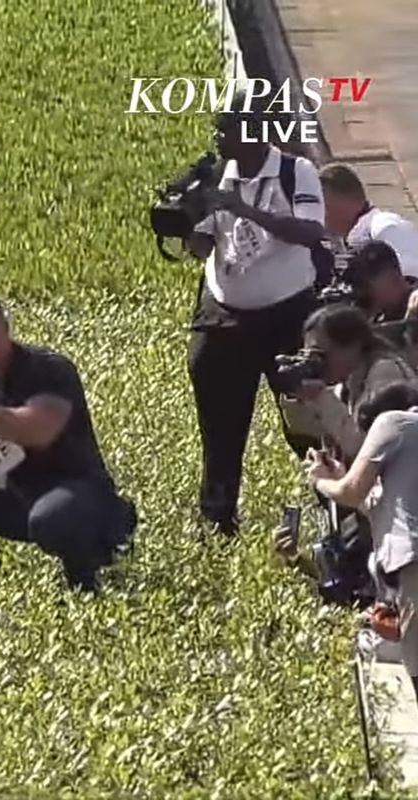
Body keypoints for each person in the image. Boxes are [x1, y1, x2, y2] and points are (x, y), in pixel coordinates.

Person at [0, 291, 136, 592]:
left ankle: (88, 576)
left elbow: (35, 431)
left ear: (7, 330)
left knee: (52, 518)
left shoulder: (47, 369)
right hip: (17, 492)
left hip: (78, 491)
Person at [185, 95, 328, 535]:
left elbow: (310, 231)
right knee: (221, 423)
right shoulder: (216, 176)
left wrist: (244, 209)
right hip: (224, 315)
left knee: (303, 420)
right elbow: (205, 244)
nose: (219, 138)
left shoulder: (293, 171)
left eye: (227, 128)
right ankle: (218, 518)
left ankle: (337, 506)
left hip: (287, 317)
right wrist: (189, 223)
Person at [307, 381, 418, 692]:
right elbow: (375, 505)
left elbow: (350, 492)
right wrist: (340, 475)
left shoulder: (392, 422)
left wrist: (321, 482)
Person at [280, 305, 417, 460]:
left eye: (319, 355)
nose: (316, 363)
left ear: (352, 346)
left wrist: (322, 400)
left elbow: (369, 450)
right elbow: (306, 429)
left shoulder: (385, 373)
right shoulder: (347, 378)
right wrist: (299, 396)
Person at [320, 163, 418, 277]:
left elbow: (413, 277)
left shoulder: (384, 226)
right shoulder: (344, 243)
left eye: (323, 205)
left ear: (344, 203)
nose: (318, 213)